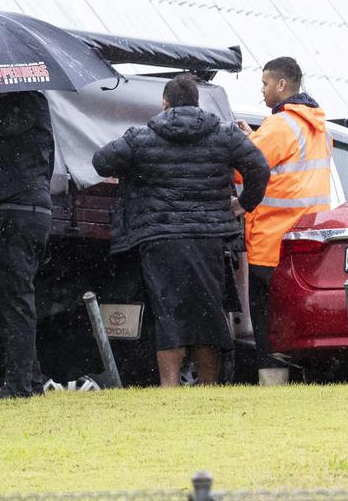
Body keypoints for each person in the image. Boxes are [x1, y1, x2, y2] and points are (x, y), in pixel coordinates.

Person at [93, 73, 269, 387]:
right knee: (208, 314)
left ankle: (170, 388)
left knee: (168, 313)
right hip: (209, 239)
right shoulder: (224, 134)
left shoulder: (142, 136)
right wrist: (245, 204)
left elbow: (102, 162)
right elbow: (260, 167)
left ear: (164, 103)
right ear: (196, 103)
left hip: (160, 240)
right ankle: (209, 388)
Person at [234, 58, 332, 386]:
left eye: (264, 84)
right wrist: (256, 139)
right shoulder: (317, 126)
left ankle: (271, 387)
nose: (261, 90)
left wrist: (241, 146)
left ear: (280, 85)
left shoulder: (280, 126)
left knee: (267, 326)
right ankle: (305, 382)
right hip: (305, 244)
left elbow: (242, 170)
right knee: (296, 322)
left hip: (270, 244)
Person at [0, 91, 54, 400]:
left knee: (13, 299)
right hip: (19, 210)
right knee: (5, 298)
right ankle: (30, 379)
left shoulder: (20, 102)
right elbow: (17, 151)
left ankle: (19, 384)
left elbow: (9, 129)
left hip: (14, 212)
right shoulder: (25, 103)